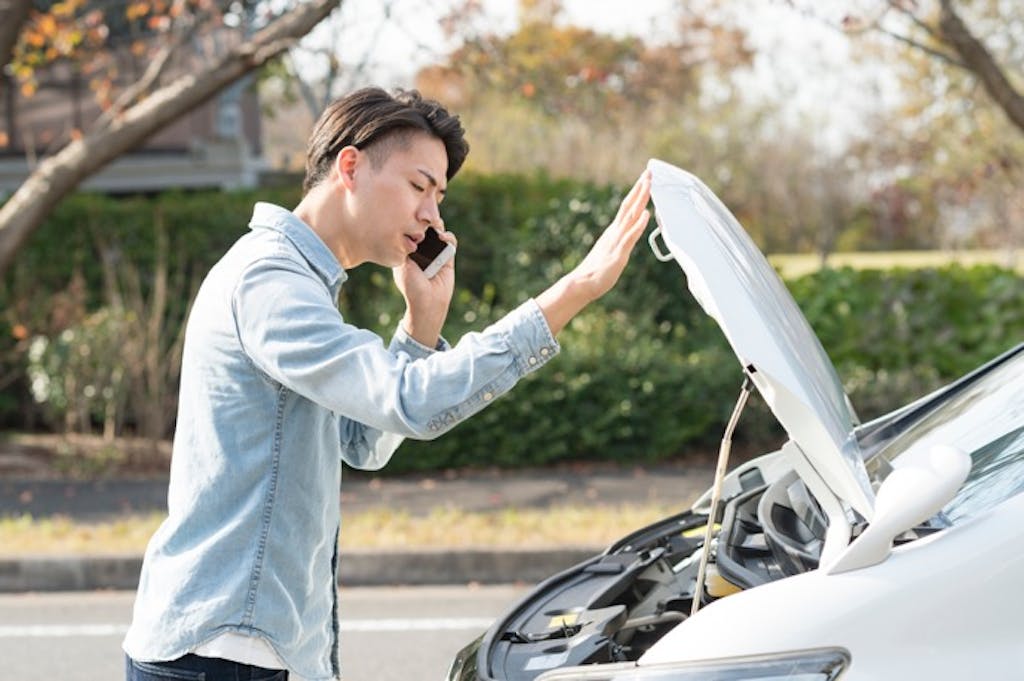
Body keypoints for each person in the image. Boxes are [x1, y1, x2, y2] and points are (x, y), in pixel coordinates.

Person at [122, 86, 651, 681]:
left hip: (256, 651)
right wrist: (572, 291)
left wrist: (421, 326)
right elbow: (408, 401)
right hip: (222, 655)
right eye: (419, 186)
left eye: (439, 195)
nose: (431, 214)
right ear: (350, 166)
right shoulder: (269, 280)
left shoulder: (304, 283)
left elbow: (361, 443)